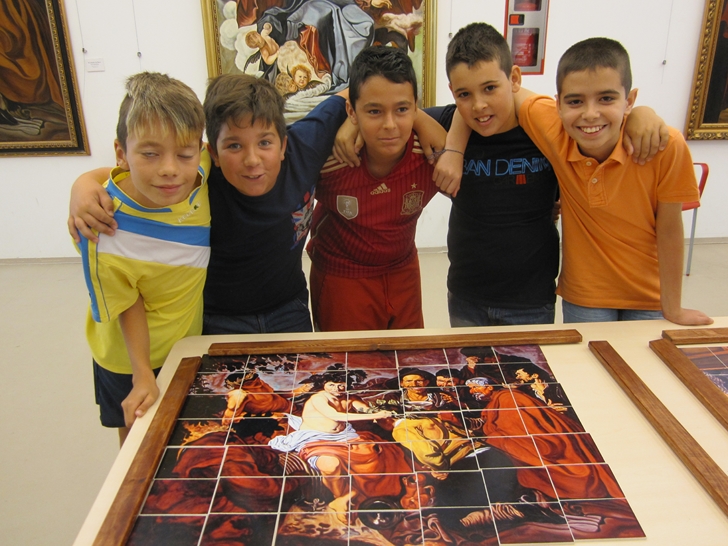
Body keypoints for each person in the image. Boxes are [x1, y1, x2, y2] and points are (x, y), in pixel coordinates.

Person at [69, 71, 449, 336]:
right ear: (212, 153)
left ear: (283, 144)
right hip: (219, 317)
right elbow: (142, 173)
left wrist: (418, 117)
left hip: (289, 309)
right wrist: (84, 184)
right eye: (234, 145)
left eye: (265, 143)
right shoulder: (198, 171)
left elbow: (362, 86)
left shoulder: (304, 145)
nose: (252, 160)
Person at [429, 23, 676, 327]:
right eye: (465, 94)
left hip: (531, 298)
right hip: (466, 293)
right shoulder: (449, 120)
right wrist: (453, 149)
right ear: (453, 93)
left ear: (514, 79)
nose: (479, 105)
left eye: (490, 88)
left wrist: (640, 113)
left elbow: (597, 120)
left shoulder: (547, 127)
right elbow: (403, 109)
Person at [511, 37, 712, 325]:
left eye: (606, 98)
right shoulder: (553, 128)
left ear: (629, 101)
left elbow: (669, 230)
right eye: (575, 101)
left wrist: (673, 308)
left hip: (650, 296)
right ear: (558, 105)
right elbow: (505, 88)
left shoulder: (664, 145)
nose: (590, 113)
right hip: (586, 296)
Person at [76, 72, 210, 445]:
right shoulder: (100, 226)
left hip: (187, 344)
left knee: (187, 437)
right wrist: (142, 373)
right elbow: (127, 303)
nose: (169, 168)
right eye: (150, 154)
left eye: (184, 154)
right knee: (138, 442)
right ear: (121, 153)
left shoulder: (197, 173)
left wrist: (82, 180)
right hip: (128, 359)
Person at [307, 46, 457, 332]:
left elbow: (475, 113)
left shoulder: (431, 153)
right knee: (349, 360)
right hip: (343, 275)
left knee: (409, 357)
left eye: (402, 109)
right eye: (374, 111)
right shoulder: (329, 160)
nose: (390, 125)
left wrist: (443, 138)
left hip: (403, 269)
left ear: (415, 107)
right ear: (351, 111)